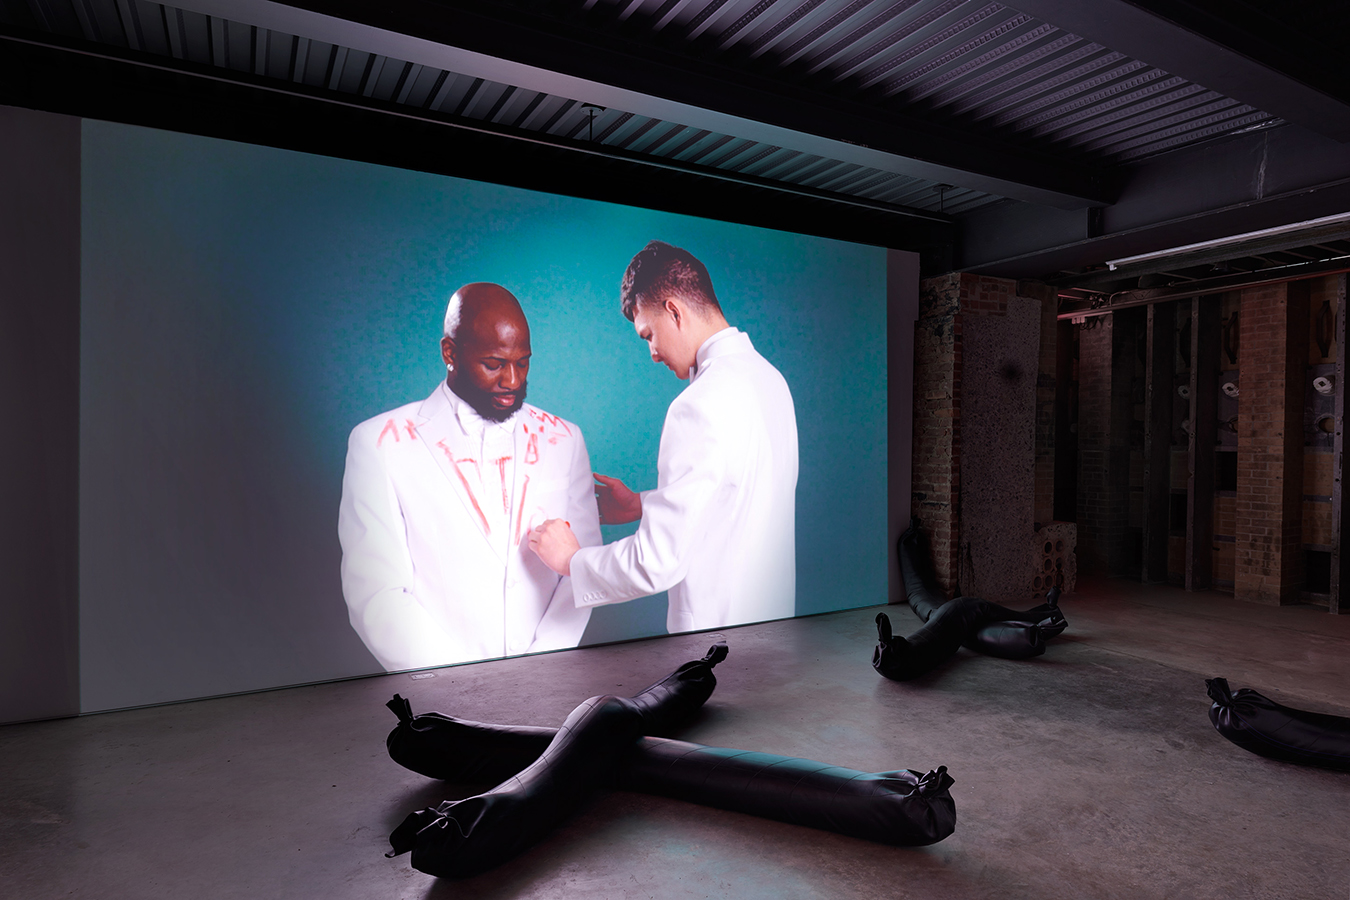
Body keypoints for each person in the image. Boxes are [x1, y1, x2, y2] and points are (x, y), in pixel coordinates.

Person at [528, 241, 798, 632]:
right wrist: (642, 503)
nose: (652, 353)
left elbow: (656, 562)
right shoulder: (772, 381)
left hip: (716, 649)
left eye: (648, 335)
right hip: (773, 635)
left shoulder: (696, 405)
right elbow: (739, 492)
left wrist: (572, 561)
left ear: (674, 311)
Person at [339, 283, 601, 671]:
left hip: (549, 688)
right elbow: (377, 595)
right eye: (494, 364)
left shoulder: (567, 438)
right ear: (450, 353)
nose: (512, 380)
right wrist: (464, 688)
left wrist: (542, 671)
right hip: (442, 705)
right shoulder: (377, 444)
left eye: (523, 363)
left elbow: (580, 571)